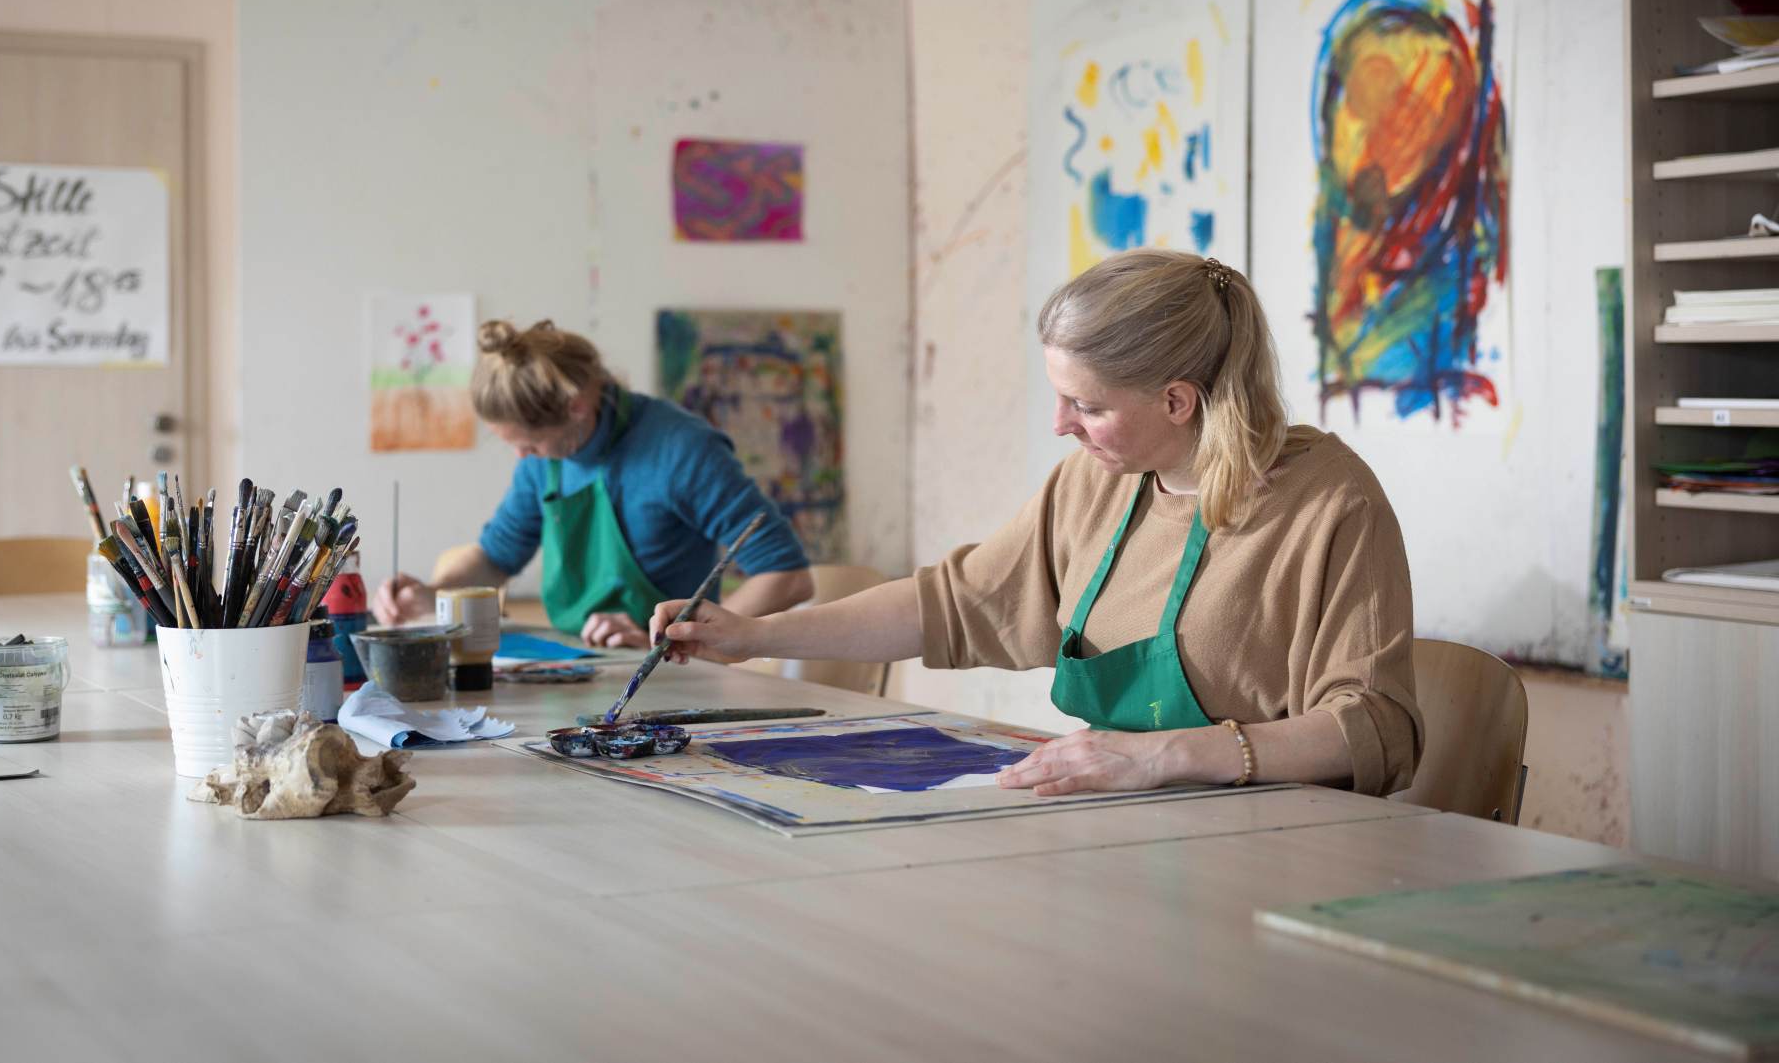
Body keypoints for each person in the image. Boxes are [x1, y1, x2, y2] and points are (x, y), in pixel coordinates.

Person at [650, 249, 1422, 797]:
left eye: (1087, 405)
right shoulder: (1096, 483)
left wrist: (1160, 757)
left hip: (1275, 845)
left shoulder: (1330, 504)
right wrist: (753, 635)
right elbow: (950, 602)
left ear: (1177, 401)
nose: (1062, 425)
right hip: (1118, 825)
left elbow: (1375, 725)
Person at [373, 319, 813, 645]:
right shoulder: (541, 461)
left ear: (577, 406)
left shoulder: (682, 450)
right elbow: (495, 560)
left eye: (531, 443)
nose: (522, 457)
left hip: (671, 677)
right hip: (577, 665)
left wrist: (682, 641)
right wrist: (428, 593)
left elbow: (788, 576)